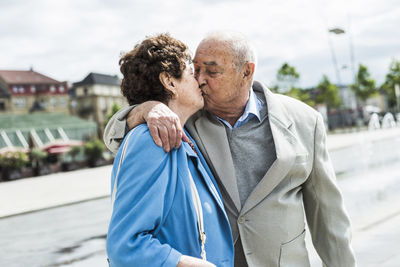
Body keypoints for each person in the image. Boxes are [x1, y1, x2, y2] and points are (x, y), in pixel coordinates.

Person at [105, 31, 356, 267]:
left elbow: (329, 220)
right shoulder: (182, 120)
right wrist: (144, 109)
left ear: (247, 72)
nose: (200, 79)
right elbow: (119, 138)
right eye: (196, 69)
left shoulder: (305, 122)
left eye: (211, 72)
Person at [106, 33, 234, 267]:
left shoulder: (182, 136)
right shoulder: (152, 139)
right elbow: (125, 246)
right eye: (191, 73)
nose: (200, 81)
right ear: (170, 81)